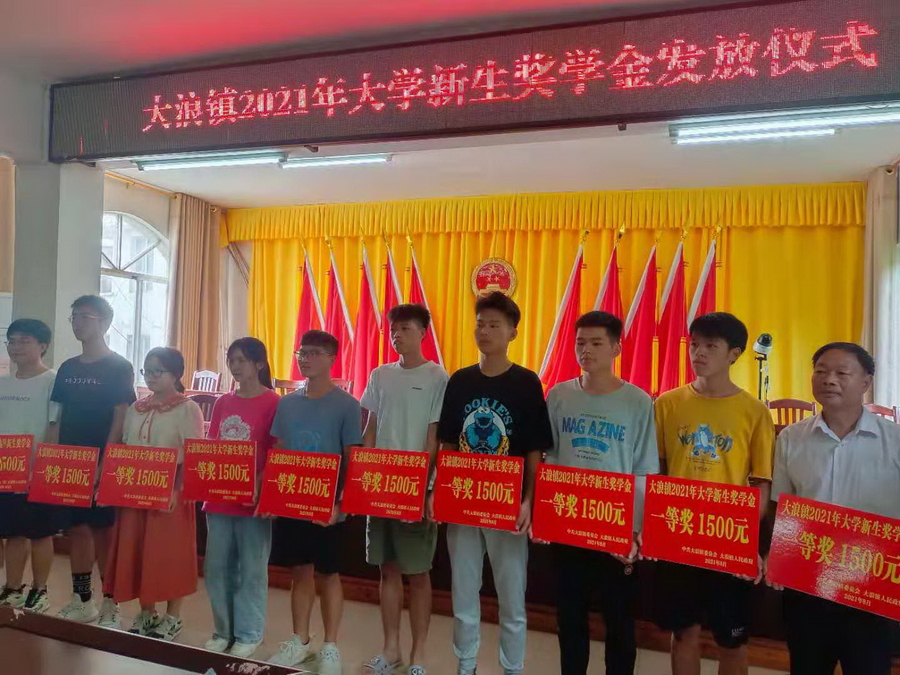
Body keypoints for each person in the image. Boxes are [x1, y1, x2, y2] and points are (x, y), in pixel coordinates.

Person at [435, 291, 553, 675]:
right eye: (480, 324)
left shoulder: (526, 383)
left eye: (494, 325)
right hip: (463, 501)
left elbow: (534, 450)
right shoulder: (460, 380)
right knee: (463, 593)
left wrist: (530, 500)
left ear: (512, 332)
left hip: (508, 505)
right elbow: (448, 442)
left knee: (512, 597)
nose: (484, 331)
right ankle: (466, 663)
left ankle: (512, 667)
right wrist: (441, 491)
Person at [765, 343, 900, 675]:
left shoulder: (894, 440)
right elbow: (782, 504)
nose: (829, 379)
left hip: (871, 584)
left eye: (842, 373)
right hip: (808, 582)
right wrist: (777, 558)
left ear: (866, 381)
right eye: (821, 371)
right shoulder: (791, 438)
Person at [653, 312, 774, 675]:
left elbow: (761, 483)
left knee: (731, 640)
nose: (699, 353)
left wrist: (746, 540)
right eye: (694, 345)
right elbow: (657, 471)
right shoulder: (667, 403)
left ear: (734, 353)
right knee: (683, 632)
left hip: (728, 538)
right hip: (678, 533)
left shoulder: (754, 412)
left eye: (710, 346)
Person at [544, 311, 658, 675]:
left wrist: (635, 529)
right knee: (570, 619)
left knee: (620, 622)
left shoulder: (638, 401)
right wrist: (547, 517)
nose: (586, 350)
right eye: (580, 343)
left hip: (615, 528)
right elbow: (551, 458)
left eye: (596, 343)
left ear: (615, 348)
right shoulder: (559, 395)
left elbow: (643, 469)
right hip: (568, 524)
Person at [266, 330, 362, 675]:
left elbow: (352, 458)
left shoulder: (347, 405)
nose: (305, 359)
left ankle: (330, 646)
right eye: (302, 353)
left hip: (327, 504)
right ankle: (300, 640)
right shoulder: (287, 403)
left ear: (332, 358)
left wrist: (341, 505)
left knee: (329, 573)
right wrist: (272, 496)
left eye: (314, 353)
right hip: (292, 500)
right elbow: (279, 451)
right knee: (299, 571)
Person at [360, 304, 448, 675]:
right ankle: (391, 649)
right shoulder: (380, 375)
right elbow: (371, 428)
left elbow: (433, 437)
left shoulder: (437, 376)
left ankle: (419, 654)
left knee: (419, 572)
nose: (398, 335)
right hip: (379, 485)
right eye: (394, 330)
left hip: (413, 488)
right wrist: (363, 477)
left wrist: (424, 487)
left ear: (423, 332)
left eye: (406, 328)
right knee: (387, 569)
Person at [103, 347, 204, 640]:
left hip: (170, 491)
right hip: (135, 489)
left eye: (158, 371)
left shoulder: (188, 408)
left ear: (176, 374)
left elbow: (193, 454)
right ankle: (147, 612)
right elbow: (124, 447)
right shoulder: (137, 407)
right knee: (138, 550)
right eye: (147, 371)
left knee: (169, 553)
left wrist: (177, 490)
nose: (151, 376)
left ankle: (173, 617)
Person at [51, 295, 136, 627]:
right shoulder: (68, 368)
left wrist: (107, 460)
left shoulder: (119, 367)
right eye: (73, 317)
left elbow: (120, 415)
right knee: (78, 529)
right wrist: (55, 457)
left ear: (104, 323)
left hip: (103, 459)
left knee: (104, 532)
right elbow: (57, 416)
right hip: (71, 461)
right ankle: (82, 599)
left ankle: (110, 602)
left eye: (84, 317)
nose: (77, 323)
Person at [203, 337, 280, 658]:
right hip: (219, 498)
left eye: (241, 360)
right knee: (217, 566)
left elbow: (276, 450)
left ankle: (249, 633)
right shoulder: (223, 402)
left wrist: (260, 485)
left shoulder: (273, 402)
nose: (234, 366)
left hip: (253, 500)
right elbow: (212, 444)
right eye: (231, 360)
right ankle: (223, 630)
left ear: (259, 364)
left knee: (251, 568)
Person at [0, 319, 61, 613]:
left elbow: (54, 425)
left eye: (24, 341)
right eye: (11, 341)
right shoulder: (3, 383)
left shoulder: (52, 381)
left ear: (42, 345)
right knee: (13, 532)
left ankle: (40, 589)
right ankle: (13, 588)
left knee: (40, 532)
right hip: (6, 471)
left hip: (38, 471)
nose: (16, 347)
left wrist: (43, 466)